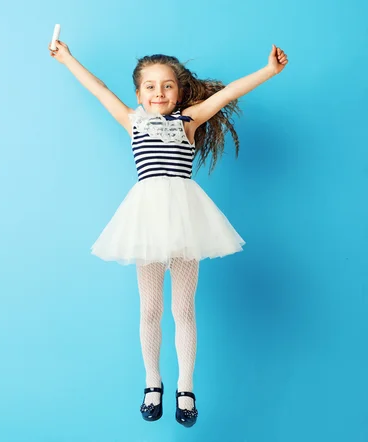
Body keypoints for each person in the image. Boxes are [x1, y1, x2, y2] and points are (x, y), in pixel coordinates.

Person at [49, 39, 288, 427]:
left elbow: (227, 93)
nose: (158, 92)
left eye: (167, 86)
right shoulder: (132, 121)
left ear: (179, 92)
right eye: (150, 86)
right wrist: (66, 58)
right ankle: (152, 382)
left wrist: (269, 71)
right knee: (150, 309)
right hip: (145, 221)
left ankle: (186, 387)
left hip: (185, 220)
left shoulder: (189, 121)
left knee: (183, 309)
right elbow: (99, 90)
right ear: (138, 92)